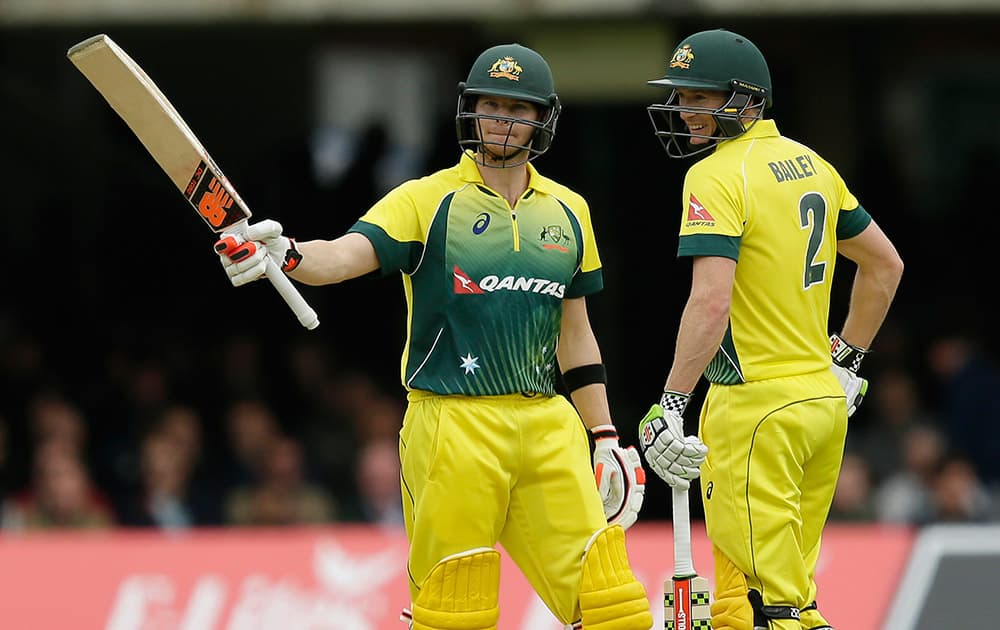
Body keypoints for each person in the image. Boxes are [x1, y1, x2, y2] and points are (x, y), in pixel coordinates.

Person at [215, 43, 652, 630]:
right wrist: (288, 254)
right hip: (452, 426)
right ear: (469, 111)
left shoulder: (569, 211)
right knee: (456, 615)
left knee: (613, 609)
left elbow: (576, 333)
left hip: (548, 425)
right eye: (490, 106)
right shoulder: (426, 199)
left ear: (542, 118)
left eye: (517, 108)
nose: (501, 120)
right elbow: (343, 257)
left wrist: (604, 435)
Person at [636, 29, 904, 630]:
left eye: (699, 97)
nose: (683, 110)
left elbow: (711, 303)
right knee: (783, 596)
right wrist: (847, 360)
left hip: (754, 411)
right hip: (820, 403)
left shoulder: (715, 175)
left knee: (774, 607)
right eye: (681, 96)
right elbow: (885, 266)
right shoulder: (815, 165)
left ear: (746, 100)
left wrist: (672, 402)